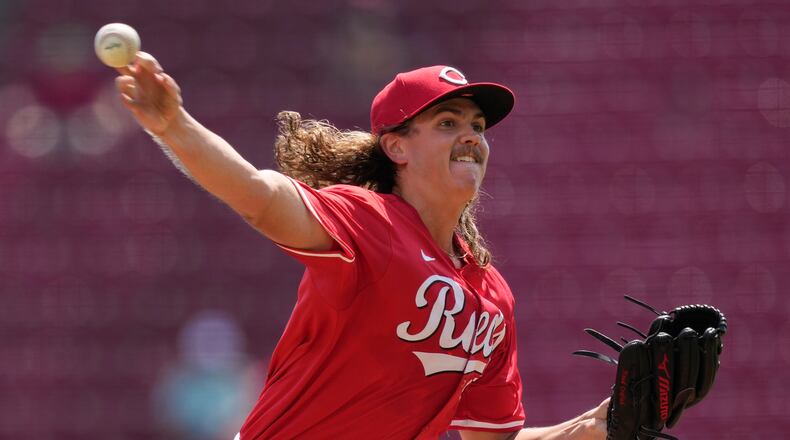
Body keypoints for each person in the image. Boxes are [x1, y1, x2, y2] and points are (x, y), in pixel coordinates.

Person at [114, 52, 609, 440]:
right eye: (447, 123)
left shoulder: (491, 295)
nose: (471, 137)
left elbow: (490, 439)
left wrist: (588, 429)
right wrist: (172, 125)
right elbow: (260, 197)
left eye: (477, 127)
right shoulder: (369, 222)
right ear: (396, 147)